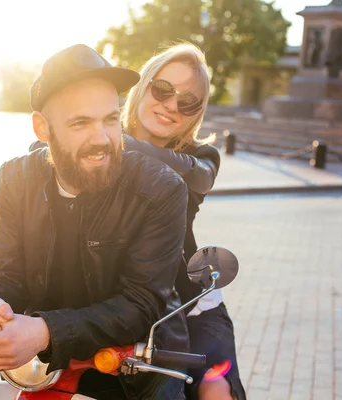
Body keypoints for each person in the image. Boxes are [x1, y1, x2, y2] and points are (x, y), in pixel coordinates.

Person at [0, 44, 191, 399]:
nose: (101, 139)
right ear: (43, 127)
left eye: (110, 120)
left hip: (140, 367)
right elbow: (4, 271)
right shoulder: (14, 180)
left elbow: (142, 303)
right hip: (46, 366)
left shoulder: (161, 189)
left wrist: (45, 331)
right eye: (81, 123)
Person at [121, 43, 246, 400]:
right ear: (144, 84)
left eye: (188, 102)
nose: (172, 106)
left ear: (196, 113)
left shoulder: (200, 157)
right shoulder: (100, 141)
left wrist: (111, 142)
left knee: (214, 388)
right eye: (162, 90)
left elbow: (199, 176)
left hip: (191, 304)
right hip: (120, 298)